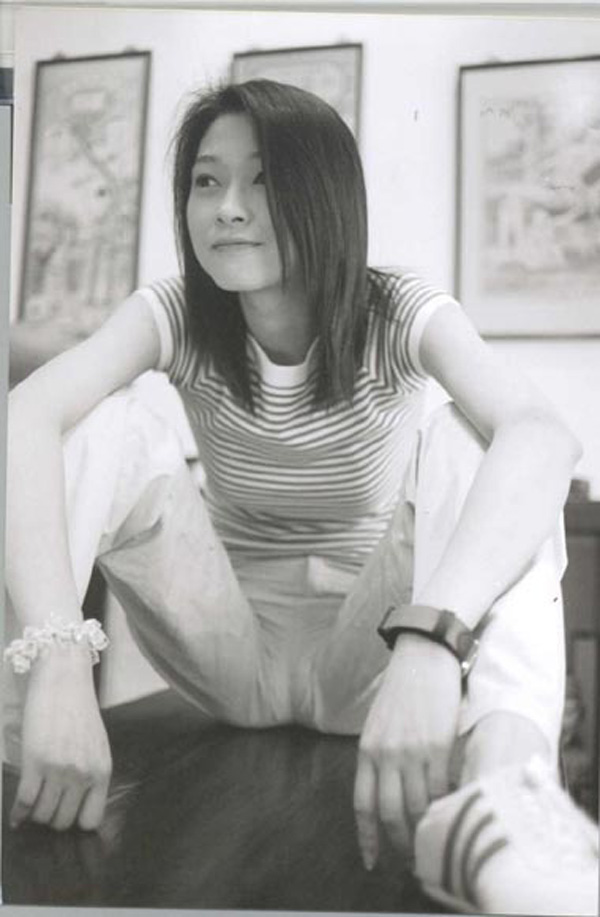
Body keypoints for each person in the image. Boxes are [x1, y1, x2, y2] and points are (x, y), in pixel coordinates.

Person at [4, 80, 580, 869]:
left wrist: (431, 642)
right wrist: (61, 655)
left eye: (263, 180)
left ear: (324, 196)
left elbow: (543, 433)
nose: (227, 208)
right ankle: (24, 750)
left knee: (473, 436)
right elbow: (28, 413)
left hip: (372, 654)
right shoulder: (176, 312)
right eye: (207, 181)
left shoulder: (396, 310)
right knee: (105, 421)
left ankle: (509, 791)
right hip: (233, 651)